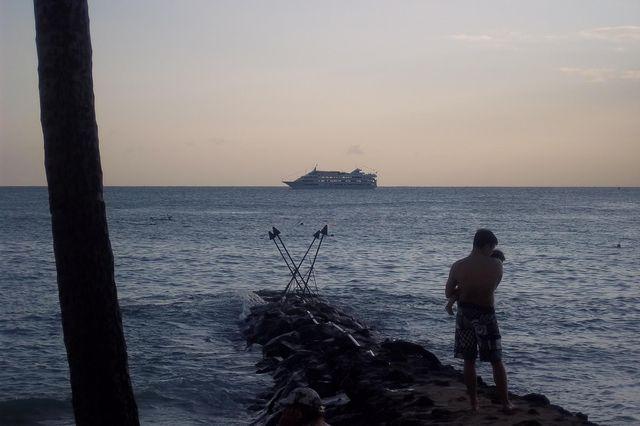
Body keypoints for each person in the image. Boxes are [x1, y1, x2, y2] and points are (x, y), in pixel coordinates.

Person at [445, 229, 513, 413]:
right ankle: (505, 403)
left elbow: (448, 293)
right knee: (496, 359)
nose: (492, 251)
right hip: (486, 314)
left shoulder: (458, 266)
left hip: (464, 314)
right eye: (492, 248)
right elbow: (491, 286)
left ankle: (474, 403)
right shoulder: (496, 265)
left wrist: (462, 289)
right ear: (487, 245)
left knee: (469, 360)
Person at [445, 249, 505, 315]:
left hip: (468, 298)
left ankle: (449, 305)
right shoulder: (492, 268)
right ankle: (449, 305)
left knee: (461, 290)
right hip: (474, 297)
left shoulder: (485, 266)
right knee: (460, 291)